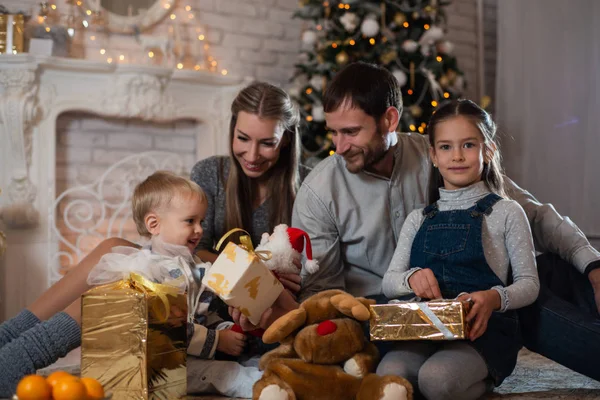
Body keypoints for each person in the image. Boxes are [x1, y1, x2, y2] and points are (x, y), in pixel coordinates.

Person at [288, 61, 600, 381]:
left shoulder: (439, 155)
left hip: (465, 299)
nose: (338, 147)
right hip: (380, 319)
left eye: (351, 132)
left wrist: (592, 264)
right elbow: (320, 295)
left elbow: (530, 213)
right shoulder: (320, 191)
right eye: (334, 133)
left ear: (389, 120)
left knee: (548, 272)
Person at [376, 99, 539, 399]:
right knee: (391, 375)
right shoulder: (418, 219)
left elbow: (529, 285)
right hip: (427, 329)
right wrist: (410, 278)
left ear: (487, 151)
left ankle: (485, 378)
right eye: (446, 147)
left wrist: (494, 298)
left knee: (435, 380)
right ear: (434, 156)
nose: (457, 156)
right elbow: (389, 283)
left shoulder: (506, 212)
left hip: (482, 332)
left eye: (468, 145)